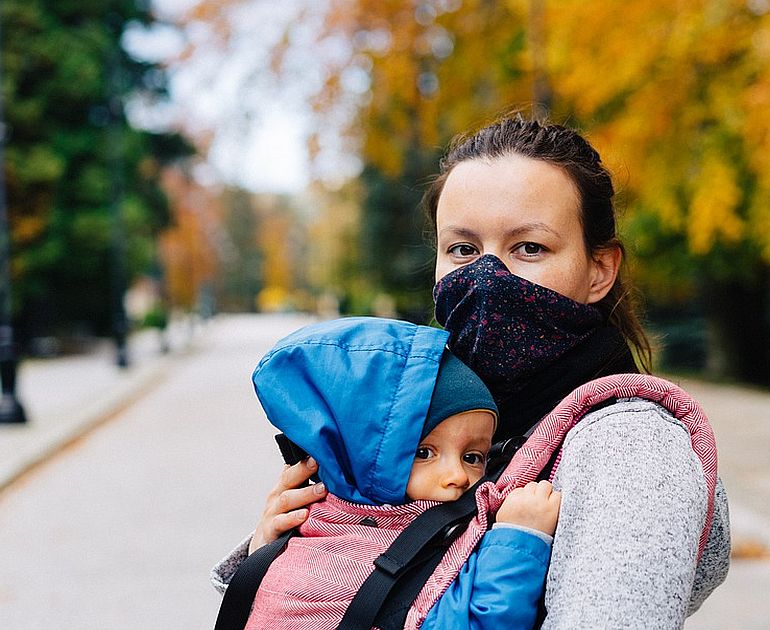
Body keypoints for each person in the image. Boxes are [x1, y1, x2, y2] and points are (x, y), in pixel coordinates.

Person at [213, 116, 730, 628]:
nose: (487, 276)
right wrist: (280, 554)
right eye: (463, 249)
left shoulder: (629, 446)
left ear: (599, 271)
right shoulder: (431, 409)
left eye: (529, 247)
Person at [243, 316, 560, 629]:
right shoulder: (321, 562)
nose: (458, 476)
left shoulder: (436, 525)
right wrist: (518, 540)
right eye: (423, 453)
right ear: (361, 457)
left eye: (473, 456)